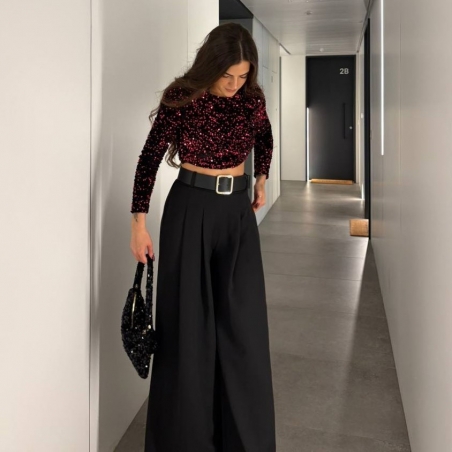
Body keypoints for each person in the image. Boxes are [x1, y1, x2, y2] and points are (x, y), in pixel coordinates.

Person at [130, 22, 276, 452]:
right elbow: (149, 158)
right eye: (227, 75)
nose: (234, 85)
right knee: (187, 330)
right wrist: (138, 224)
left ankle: (243, 441)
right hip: (190, 210)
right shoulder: (183, 97)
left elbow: (265, 138)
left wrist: (261, 177)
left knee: (244, 329)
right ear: (210, 66)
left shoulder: (251, 100)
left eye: (242, 76)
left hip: (236, 215)